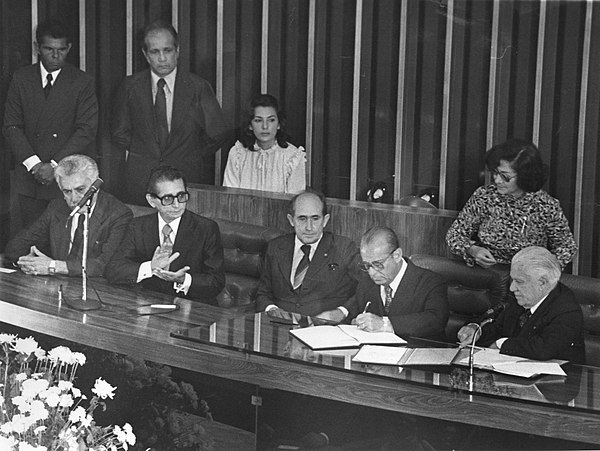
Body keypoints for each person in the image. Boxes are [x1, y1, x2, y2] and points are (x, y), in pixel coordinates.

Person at [111, 20, 229, 205]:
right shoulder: (129, 86)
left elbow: (218, 134)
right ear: (145, 54)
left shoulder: (198, 87)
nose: (162, 58)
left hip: (185, 179)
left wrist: (188, 153)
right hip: (141, 182)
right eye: (155, 52)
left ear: (177, 51)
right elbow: (119, 132)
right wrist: (146, 151)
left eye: (167, 50)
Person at [3, 19, 98, 230]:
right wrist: (35, 165)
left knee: (59, 240)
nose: (55, 56)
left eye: (61, 50)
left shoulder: (82, 82)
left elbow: (86, 130)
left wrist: (54, 166)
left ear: (69, 48)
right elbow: (12, 126)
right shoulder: (21, 78)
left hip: (65, 179)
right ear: (37, 48)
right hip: (28, 177)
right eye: (49, 49)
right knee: (24, 239)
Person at [446, 139, 576, 270]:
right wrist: (473, 250)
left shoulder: (546, 205)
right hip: (487, 273)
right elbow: (454, 235)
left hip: (528, 278)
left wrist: (543, 269)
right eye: (495, 173)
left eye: (505, 176)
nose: (497, 180)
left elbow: (567, 248)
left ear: (525, 176)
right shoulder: (484, 196)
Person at [105, 166, 225, 303]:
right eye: (168, 199)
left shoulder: (206, 229)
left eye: (181, 196)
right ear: (151, 200)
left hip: (191, 307)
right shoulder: (137, 227)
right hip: (147, 305)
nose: (176, 205)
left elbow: (216, 282)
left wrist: (183, 279)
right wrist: (150, 267)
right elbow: (114, 270)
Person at [4, 155, 131, 277]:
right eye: (67, 191)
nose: (74, 199)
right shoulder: (57, 207)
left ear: (96, 185)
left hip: (98, 291)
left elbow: (104, 265)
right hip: (57, 286)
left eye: (80, 189)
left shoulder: (118, 214)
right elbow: (15, 247)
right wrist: (31, 262)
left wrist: (53, 266)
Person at [457, 246, 585, 363]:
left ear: (542, 282)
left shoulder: (567, 309)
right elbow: (497, 328)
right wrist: (476, 330)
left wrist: (501, 344)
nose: (512, 288)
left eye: (519, 281)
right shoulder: (523, 298)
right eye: (513, 280)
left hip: (560, 384)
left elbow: (543, 349)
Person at [322, 226, 448, 340]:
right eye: (367, 265)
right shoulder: (367, 282)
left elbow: (435, 320)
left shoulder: (430, 281)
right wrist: (340, 312)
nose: (372, 272)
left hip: (419, 356)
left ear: (397, 255)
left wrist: (385, 324)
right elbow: (357, 302)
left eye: (378, 264)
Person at [255, 190, 362, 317]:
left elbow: (364, 290)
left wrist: (342, 312)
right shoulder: (276, 247)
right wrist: (271, 309)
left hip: (325, 329)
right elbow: (263, 292)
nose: (309, 227)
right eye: (302, 219)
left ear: (325, 220)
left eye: (315, 219)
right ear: (291, 220)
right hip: (280, 327)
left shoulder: (344, 248)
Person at [222, 94, 306, 194]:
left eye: (271, 120)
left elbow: (296, 202)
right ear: (250, 125)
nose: (265, 126)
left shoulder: (293, 157)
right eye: (258, 120)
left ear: (279, 124)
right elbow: (230, 197)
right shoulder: (238, 154)